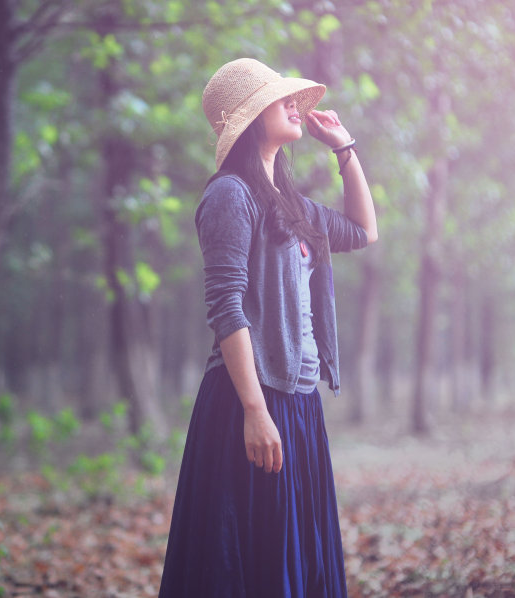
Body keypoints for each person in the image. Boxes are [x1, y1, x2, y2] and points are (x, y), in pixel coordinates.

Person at [158, 58, 378, 597]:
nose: (295, 105)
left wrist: (344, 150)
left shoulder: (293, 207)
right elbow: (225, 306)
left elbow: (363, 231)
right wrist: (255, 412)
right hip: (248, 401)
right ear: (252, 117)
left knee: (294, 555)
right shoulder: (230, 195)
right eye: (281, 98)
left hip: (299, 401)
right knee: (248, 563)